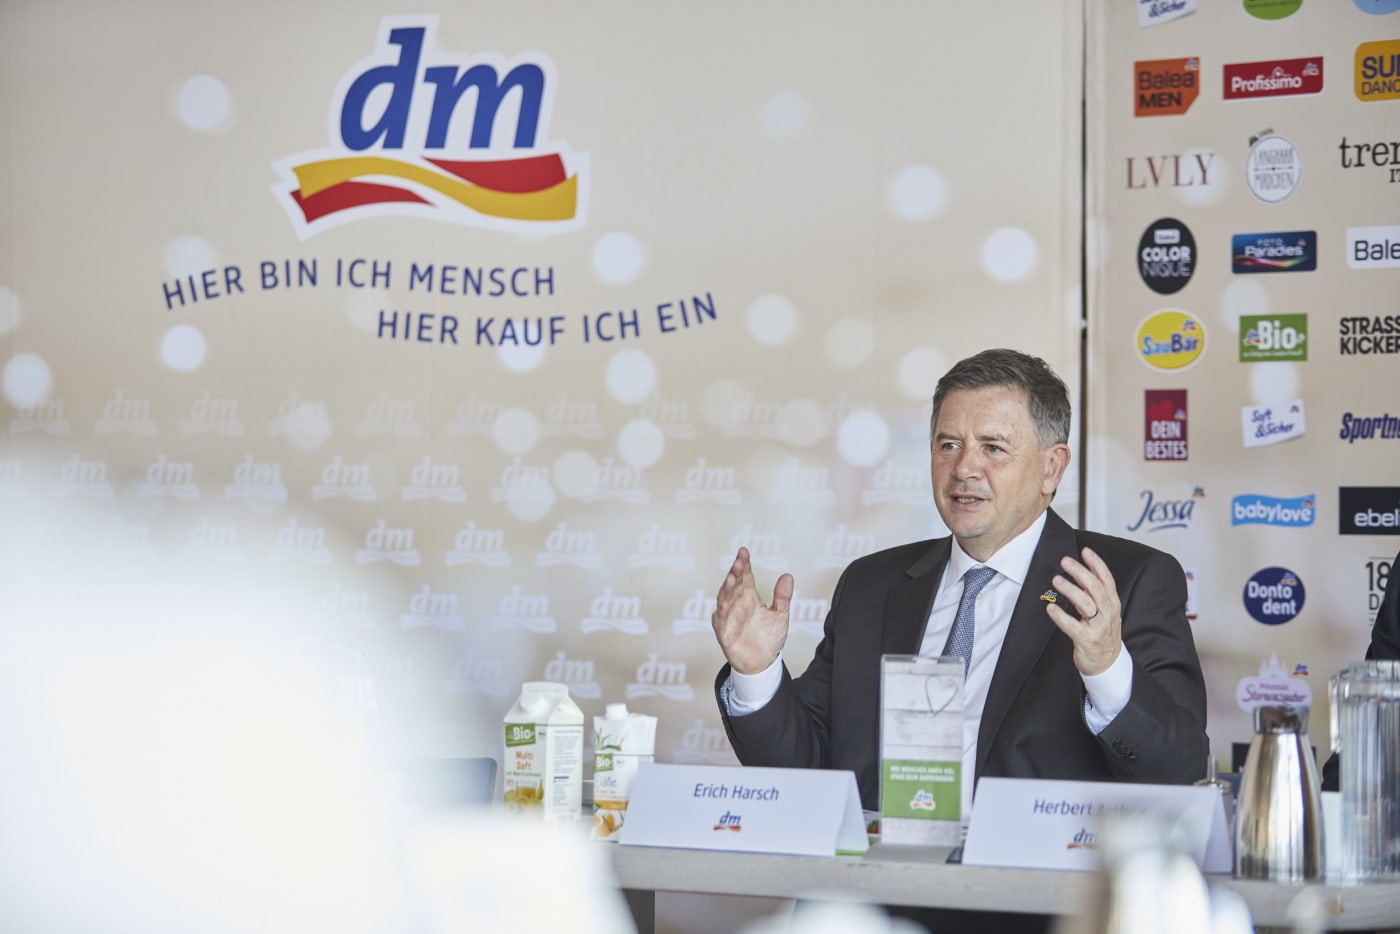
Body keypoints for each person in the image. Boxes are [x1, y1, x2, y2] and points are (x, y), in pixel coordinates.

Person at [710, 348, 1209, 933]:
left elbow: (1177, 771)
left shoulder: (1123, 581)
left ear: (1052, 468)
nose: (964, 468)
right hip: (868, 908)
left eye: (993, 448)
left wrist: (1107, 668)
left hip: (1030, 916)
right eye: (948, 445)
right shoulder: (872, 585)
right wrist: (756, 673)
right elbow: (808, 771)